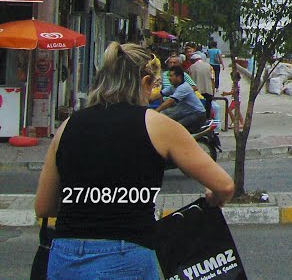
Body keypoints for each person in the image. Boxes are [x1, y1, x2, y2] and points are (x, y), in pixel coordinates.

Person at [34, 42, 233, 280]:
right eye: (153, 85)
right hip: (126, 256)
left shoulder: (67, 126)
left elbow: (43, 206)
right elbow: (224, 185)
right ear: (145, 82)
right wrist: (214, 199)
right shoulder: (157, 125)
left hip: (64, 258)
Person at [157, 65, 208, 129]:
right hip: (185, 112)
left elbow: (170, 101)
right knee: (166, 117)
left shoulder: (184, 87)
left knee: (176, 127)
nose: (169, 78)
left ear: (179, 77)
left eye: (171, 76)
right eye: (169, 76)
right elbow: (159, 94)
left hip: (197, 114)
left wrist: (156, 111)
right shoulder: (173, 87)